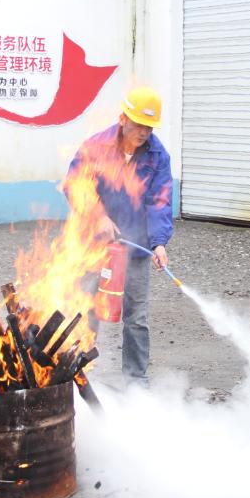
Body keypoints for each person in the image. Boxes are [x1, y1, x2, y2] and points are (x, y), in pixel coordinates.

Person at [66, 86, 174, 387]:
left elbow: (160, 202)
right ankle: (78, 370)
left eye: (149, 127)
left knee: (136, 317)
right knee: (85, 307)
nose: (144, 132)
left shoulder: (157, 156)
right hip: (94, 243)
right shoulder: (97, 146)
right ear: (123, 118)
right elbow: (75, 185)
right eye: (139, 124)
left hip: (135, 246)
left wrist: (159, 243)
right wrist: (98, 216)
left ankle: (136, 380)